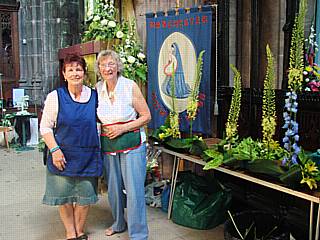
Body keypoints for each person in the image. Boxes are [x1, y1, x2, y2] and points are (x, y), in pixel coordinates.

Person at [40, 54, 102, 240]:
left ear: (84, 73)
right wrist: (55, 150)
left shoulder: (94, 96)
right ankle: (71, 233)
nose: (75, 73)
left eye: (78, 69)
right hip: (62, 156)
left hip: (88, 156)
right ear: (64, 74)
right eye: (70, 70)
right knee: (65, 197)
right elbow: (45, 127)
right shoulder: (55, 97)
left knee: (84, 197)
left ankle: (80, 229)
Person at [95, 50, 151, 239]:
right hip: (109, 146)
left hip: (132, 144)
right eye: (103, 65)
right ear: (99, 69)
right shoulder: (97, 89)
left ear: (118, 66)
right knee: (113, 188)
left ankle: (139, 234)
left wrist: (123, 128)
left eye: (111, 64)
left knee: (134, 190)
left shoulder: (129, 86)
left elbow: (146, 116)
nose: (107, 68)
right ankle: (119, 223)